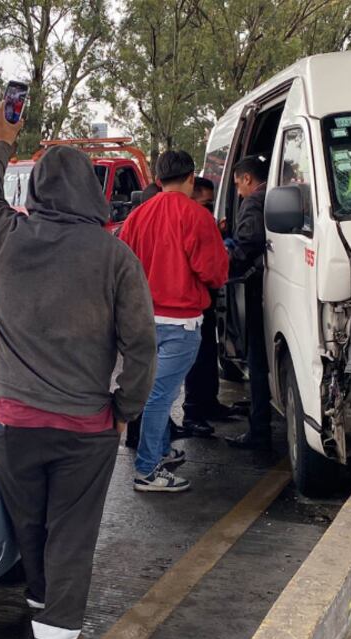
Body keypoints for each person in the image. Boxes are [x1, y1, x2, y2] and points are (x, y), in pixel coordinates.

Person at [0, 101, 157, 639]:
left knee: (32, 530)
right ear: (92, 195)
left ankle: (46, 623)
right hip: (84, 427)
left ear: (38, 193)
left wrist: (1, 139)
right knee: (70, 537)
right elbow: (141, 347)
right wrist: (125, 406)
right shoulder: (115, 256)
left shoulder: (5, 235)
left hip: (12, 423)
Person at [120, 151, 229, 491]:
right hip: (180, 322)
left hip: (141, 320)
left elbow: (121, 267)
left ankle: (160, 452)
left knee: (156, 393)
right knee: (160, 396)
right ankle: (148, 470)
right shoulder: (197, 216)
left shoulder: (137, 217)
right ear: (191, 178)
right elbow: (213, 272)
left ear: (156, 179)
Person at [180, 176, 240, 433]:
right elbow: (205, 267)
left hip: (204, 299)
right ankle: (192, 412)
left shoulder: (200, 221)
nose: (208, 212)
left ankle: (208, 403)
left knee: (208, 352)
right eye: (205, 205)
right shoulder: (187, 219)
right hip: (190, 301)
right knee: (194, 358)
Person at [225, 154, 272, 449]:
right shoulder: (276, 193)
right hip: (271, 282)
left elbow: (247, 243)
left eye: (238, 185)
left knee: (257, 360)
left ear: (246, 178)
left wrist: (223, 267)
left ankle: (259, 430)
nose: (238, 192)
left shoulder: (254, 201)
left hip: (258, 287)